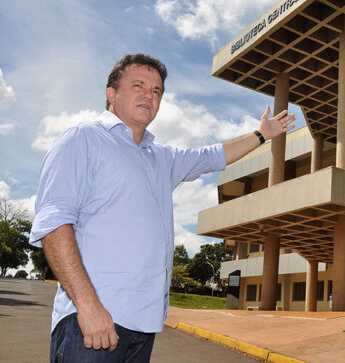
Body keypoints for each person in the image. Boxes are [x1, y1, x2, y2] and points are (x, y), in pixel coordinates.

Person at [29, 54, 295, 362]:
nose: (149, 94)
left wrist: (262, 134)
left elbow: (211, 155)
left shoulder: (160, 158)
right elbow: (54, 224)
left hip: (142, 327)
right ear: (111, 94)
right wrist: (87, 306)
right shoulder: (83, 140)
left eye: (156, 91)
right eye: (138, 85)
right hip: (91, 323)